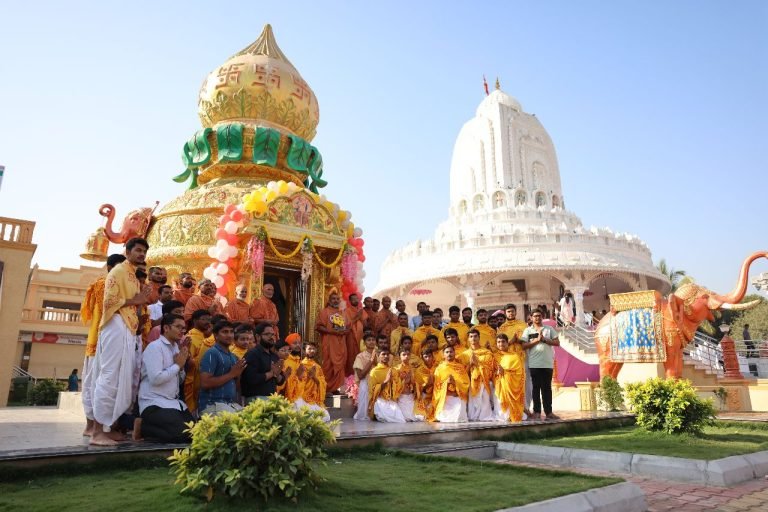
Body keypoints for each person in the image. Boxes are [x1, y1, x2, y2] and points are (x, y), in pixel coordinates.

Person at [90, 238, 151, 446]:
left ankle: (111, 427)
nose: (141, 254)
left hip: (127, 328)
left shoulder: (132, 275)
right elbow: (109, 301)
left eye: (144, 251)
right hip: (115, 324)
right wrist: (137, 300)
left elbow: (136, 303)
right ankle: (97, 432)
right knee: (109, 376)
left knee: (121, 377)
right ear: (127, 251)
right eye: (138, 250)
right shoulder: (117, 272)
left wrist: (140, 304)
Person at [80, 253, 125, 437]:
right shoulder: (103, 283)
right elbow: (110, 307)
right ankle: (91, 427)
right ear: (110, 268)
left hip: (110, 342)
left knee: (106, 383)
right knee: (93, 382)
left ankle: (105, 428)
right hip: (98, 341)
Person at [138, 313, 195, 443]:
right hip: (153, 403)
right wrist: (177, 365)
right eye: (178, 327)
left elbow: (179, 381)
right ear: (166, 328)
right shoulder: (155, 347)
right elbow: (156, 379)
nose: (182, 330)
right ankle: (142, 427)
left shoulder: (176, 349)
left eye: (183, 328)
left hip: (173, 403)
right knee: (179, 435)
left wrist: (180, 369)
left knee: (195, 432)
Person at [198, 321, 245, 415]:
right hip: (212, 405)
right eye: (225, 332)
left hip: (230, 404)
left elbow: (236, 386)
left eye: (231, 332)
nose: (229, 335)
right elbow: (205, 383)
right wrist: (232, 374)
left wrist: (238, 375)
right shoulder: (212, 353)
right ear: (216, 336)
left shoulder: (233, 357)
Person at [521, 309, 560, 420]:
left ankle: (549, 413)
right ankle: (537, 412)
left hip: (547, 363)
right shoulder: (528, 331)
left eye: (539, 316)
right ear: (531, 318)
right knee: (536, 388)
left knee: (547, 388)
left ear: (542, 317)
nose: (537, 318)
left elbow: (557, 343)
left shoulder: (549, 329)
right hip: (534, 364)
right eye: (535, 316)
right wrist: (537, 341)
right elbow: (523, 346)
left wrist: (544, 340)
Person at [498, 303, 531, 417]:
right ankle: (510, 408)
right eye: (508, 312)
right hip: (507, 359)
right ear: (505, 313)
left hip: (521, 357)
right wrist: (512, 341)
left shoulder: (523, 325)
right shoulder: (502, 328)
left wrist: (520, 340)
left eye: (512, 311)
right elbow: (500, 344)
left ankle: (525, 407)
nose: (511, 313)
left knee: (524, 382)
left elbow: (527, 340)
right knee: (509, 383)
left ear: (516, 312)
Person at [241, 322, 284, 403]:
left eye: (273, 334)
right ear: (258, 337)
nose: (271, 337)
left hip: (272, 399)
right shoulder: (252, 354)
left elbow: (281, 381)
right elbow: (251, 379)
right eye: (267, 334)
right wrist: (271, 373)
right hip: (255, 399)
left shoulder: (274, 356)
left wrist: (277, 375)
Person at [458, 329, 495, 421]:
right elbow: (461, 373)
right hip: (472, 381)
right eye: (471, 337)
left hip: (485, 380)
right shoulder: (464, 355)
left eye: (475, 336)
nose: (473, 338)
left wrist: (479, 365)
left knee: (485, 400)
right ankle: (473, 417)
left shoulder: (487, 352)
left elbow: (491, 368)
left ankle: (485, 417)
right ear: (468, 339)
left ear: (479, 338)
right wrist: (470, 364)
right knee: (473, 402)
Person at [316, 291, 348, 393]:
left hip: (341, 344)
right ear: (329, 301)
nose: (336, 300)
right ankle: (326, 388)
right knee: (328, 364)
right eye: (333, 299)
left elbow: (348, 327)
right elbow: (318, 326)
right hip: (329, 342)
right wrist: (331, 331)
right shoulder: (325, 312)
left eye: (337, 299)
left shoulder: (343, 313)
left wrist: (345, 331)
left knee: (341, 365)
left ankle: (336, 388)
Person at [183, 309, 214, 414]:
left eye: (209, 319)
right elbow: (188, 362)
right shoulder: (190, 338)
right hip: (192, 380)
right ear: (194, 320)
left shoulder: (206, 337)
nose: (207, 322)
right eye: (203, 319)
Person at [492, 333, 525, 422]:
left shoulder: (515, 356)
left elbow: (519, 373)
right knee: (500, 411)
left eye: (503, 342)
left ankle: (512, 415)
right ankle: (502, 417)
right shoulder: (495, 356)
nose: (501, 344)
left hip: (512, 385)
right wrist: (498, 373)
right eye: (498, 342)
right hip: (499, 385)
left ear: (507, 343)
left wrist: (505, 373)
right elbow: (491, 372)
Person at [432, 345, 469, 423]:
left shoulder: (460, 367)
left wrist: (455, 384)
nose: (449, 354)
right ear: (444, 354)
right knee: (443, 418)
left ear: (454, 353)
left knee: (459, 417)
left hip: (458, 395)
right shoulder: (439, 368)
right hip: (445, 397)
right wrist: (447, 383)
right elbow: (437, 386)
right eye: (447, 352)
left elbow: (466, 383)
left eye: (451, 352)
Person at [367, 348, 406, 423]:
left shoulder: (393, 370)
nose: (386, 356)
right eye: (383, 354)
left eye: (387, 354)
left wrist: (403, 380)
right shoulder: (374, 372)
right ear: (378, 356)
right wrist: (386, 381)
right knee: (390, 419)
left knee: (400, 420)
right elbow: (372, 391)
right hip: (379, 400)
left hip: (391, 400)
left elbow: (398, 387)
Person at [296, 341, 331, 422]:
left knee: (325, 416)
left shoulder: (317, 367)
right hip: (303, 397)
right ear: (304, 351)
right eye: (309, 349)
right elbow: (299, 382)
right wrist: (307, 376)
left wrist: (314, 377)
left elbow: (322, 383)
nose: (312, 351)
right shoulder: (301, 365)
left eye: (314, 349)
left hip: (314, 398)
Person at [353, 333, 377, 420]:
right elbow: (360, 376)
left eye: (373, 340)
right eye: (369, 340)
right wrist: (371, 361)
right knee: (364, 415)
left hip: (377, 383)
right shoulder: (360, 356)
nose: (371, 342)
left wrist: (376, 361)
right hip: (366, 382)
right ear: (364, 343)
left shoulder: (380, 354)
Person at [395, 348, 423, 421]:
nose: (406, 356)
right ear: (399, 357)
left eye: (408, 354)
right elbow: (394, 385)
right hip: (401, 396)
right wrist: (404, 381)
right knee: (405, 417)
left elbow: (417, 383)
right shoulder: (396, 369)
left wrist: (412, 382)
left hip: (411, 396)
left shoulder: (413, 369)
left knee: (419, 417)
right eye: (404, 355)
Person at [343, 293, 367, 376]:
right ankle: (350, 377)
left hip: (361, 336)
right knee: (351, 356)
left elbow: (366, 325)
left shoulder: (361, 310)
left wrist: (360, 317)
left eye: (357, 299)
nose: (355, 300)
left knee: (361, 356)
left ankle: (360, 375)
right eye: (353, 299)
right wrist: (357, 317)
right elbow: (346, 325)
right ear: (350, 301)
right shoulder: (346, 311)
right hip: (351, 336)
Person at [414, 347, 436, 421]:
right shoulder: (419, 370)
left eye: (429, 356)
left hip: (436, 392)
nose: (428, 358)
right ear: (422, 358)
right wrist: (428, 384)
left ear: (433, 357)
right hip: (425, 394)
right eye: (425, 357)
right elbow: (419, 387)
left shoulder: (437, 367)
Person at [280, 336, 305, 401]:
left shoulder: (299, 361)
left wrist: (299, 377)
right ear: (288, 345)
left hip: (298, 397)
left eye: (299, 343)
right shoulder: (285, 360)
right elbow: (281, 384)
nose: (298, 345)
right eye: (294, 343)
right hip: (285, 399)